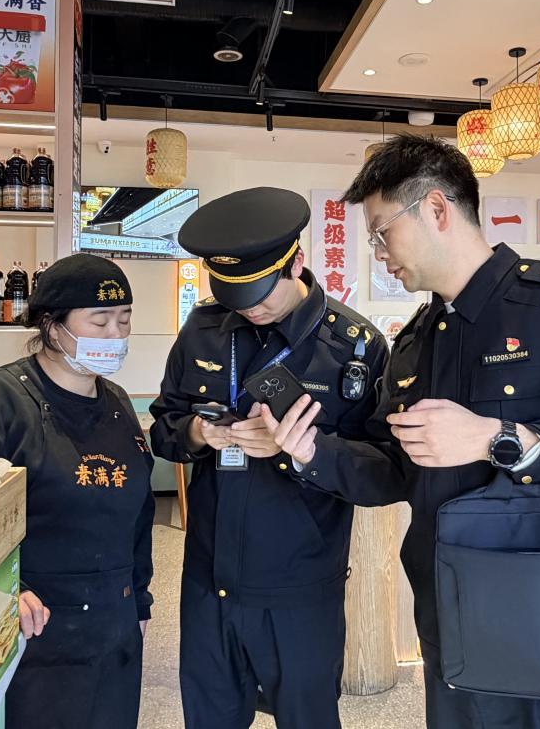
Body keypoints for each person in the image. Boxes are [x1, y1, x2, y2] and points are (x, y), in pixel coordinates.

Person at [265, 135, 540, 729]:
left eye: (382, 232)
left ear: (435, 208)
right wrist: (311, 453)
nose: (378, 252)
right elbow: (394, 470)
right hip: (451, 618)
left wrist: (498, 438)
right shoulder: (413, 343)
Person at [149, 187, 388, 729]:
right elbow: (163, 429)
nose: (248, 308)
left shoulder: (353, 348)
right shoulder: (203, 332)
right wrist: (198, 433)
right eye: (233, 295)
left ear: (296, 263)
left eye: (258, 293)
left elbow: (385, 474)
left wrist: (308, 453)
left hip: (299, 592)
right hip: (208, 581)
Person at [0, 254, 153, 729]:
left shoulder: (116, 402)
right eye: (100, 321)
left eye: (124, 320)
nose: (116, 335)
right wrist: (4, 592)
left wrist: (140, 601)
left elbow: (138, 514)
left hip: (114, 626)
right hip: (33, 628)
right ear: (52, 328)